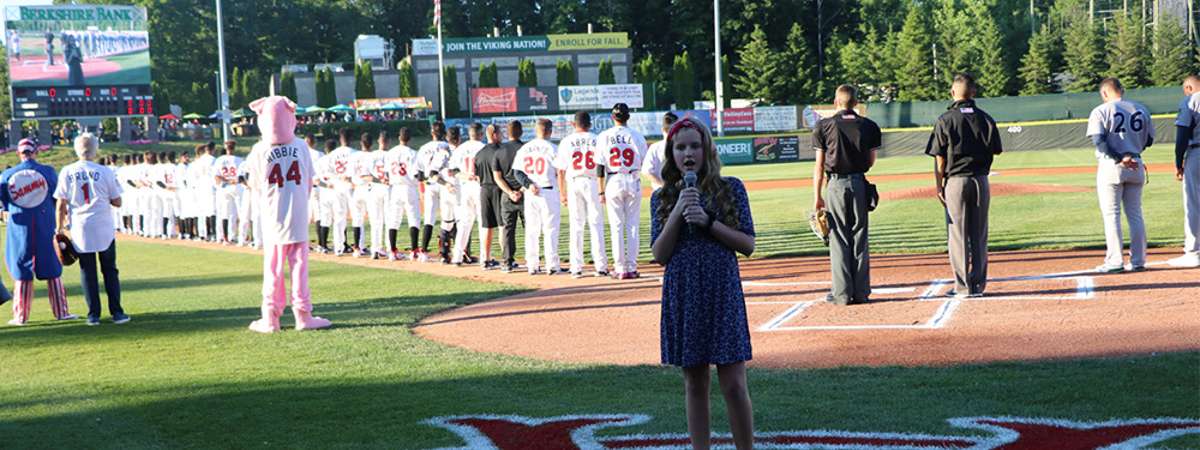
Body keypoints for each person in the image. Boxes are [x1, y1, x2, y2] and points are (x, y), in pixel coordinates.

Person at [649, 117, 755, 450]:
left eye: (694, 145)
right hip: (684, 292)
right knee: (694, 382)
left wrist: (709, 223)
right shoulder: (663, 197)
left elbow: (747, 245)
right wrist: (680, 209)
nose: (688, 153)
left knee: (734, 384)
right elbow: (659, 254)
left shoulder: (731, 188)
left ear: (706, 149)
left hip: (721, 290)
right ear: (671, 154)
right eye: (680, 147)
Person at [244, 95, 331, 333]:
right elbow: (309, 181)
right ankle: (303, 315)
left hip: (272, 215)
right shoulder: (301, 146)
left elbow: (254, 184)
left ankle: (271, 317)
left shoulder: (259, 150)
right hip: (298, 213)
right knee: (300, 266)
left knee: (272, 267)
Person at [926, 73, 1002, 298]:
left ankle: (962, 287)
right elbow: (995, 149)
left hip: (955, 181)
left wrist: (939, 186)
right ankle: (978, 285)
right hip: (980, 179)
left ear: (952, 93)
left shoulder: (945, 119)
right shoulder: (985, 118)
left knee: (958, 234)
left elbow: (939, 158)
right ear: (974, 93)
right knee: (979, 234)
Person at [812, 85, 881, 305]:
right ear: (856, 103)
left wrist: (817, 196)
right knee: (860, 237)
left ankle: (841, 294)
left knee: (839, 238)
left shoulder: (824, 125)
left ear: (836, 102)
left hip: (835, 185)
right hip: (859, 183)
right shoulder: (869, 125)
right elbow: (871, 160)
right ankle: (861, 293)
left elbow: (819, 165)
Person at [54, 133, 127, 326]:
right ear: (95, 150)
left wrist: (59, 227)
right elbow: (117, 201)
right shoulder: (105, 171)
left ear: (76, 149)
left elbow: (61, 203)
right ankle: (117, 313)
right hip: (103, 225)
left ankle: (93, 314)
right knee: (110, 270)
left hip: (80, 226)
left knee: (87, 271)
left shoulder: (67, 171)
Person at [2, 139, 75, 325]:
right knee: (52, 266)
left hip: (19, 229)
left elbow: (3, 204)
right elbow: (57, 198)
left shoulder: (6, 175)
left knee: (22, 269)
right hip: (45, 225)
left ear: (19, 153)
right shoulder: (48, 172)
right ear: (35, 152)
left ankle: (20, 316)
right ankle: (61, 312)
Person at [1087, 77, 1154, 273]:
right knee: (1135, 215)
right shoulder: (1141, 109)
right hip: (1136, 163)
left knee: (1111, 215)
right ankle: (1139, 261)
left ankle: (1115, 262)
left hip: (1112, 165)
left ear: (1105, 93)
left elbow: (1099, 141)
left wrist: (1119, 157)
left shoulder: (1100, 110)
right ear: (1121, 90)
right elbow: (1149, 141)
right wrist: (1130, 152)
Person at [596, 103, 649, 279]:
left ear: (613, 117)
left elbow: (599, 166)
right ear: (628, 117)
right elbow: (643, 160)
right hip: (633, 177)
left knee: (616, 226)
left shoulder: (604, 136)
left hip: (613, 179)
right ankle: (632, 267)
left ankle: (620, 269)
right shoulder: (637, 135)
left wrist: (601, 191)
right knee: (632, 225)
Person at [556, 111, 609, 278]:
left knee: (576, 225)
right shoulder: (597, 139)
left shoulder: (566, 141)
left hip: (574, 182)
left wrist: (562, 193)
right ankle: (600, 266)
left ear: (574, 124)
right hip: (592, 181)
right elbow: (603, 165)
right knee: (596, 223)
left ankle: (575, 267)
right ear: (590, 124)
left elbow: (560, 170)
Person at [513, 119, 564, 275]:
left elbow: (517, 172)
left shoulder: (525, 148)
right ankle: (552, 265)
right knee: (550, 229)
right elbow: (561, 171)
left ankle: (532, 265)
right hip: (548, 191)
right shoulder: (553, 148)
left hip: (531, 193)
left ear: (536, 130)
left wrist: (528, 184)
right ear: (550, 131)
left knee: (532, 230)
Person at [1169, 75, 1200, 268]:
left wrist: (1178, 162)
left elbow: (1182, 134)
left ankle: (1193, 252)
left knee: (1194, 203)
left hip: (1197, 153)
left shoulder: (1191, 100)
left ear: (1189, 87)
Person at [492, 121, 527, 272]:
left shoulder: (499, 151)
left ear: (507, 133)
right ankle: (533, 260)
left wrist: (510, 192)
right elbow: (530, 173)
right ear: (521, 132)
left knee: (508, 229)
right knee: (530, 228)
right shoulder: (526, 149)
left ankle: (507, 262)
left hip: (507, 196)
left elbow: (497, 177)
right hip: (525, 194)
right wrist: (521, 189)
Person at [416, 122, 453, 262]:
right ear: (444, 133)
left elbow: (419, 174)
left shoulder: (423, 148)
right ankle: (447, 251)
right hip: (444, 184)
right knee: (448, 218)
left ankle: (423, 252)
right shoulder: (447, 147)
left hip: (430, 184)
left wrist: (422, 186)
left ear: (432, 133)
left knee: (429, 219)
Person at [451, 123, 486, 266]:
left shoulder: (460, 148)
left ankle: (457, 257)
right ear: (480, 134)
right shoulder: (483, 148)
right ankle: (485, 257)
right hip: (479, 186)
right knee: (483, 223)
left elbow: (452, 171)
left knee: (464, 223)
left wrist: (465, 176)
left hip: (465, 187)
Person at [384, 128, 421, 260]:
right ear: (409, 139)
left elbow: (387, 173)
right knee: (414, 218)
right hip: (409, 187)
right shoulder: (413, 153)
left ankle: (392, 251)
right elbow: (417, 173)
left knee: (394, 219)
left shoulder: (390, 153)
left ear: (399, 137)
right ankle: (414, 250)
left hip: (395, 188)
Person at [321, 129, 358, 256]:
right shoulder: (356, 153)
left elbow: (327, 173)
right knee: (356, 216)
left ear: (340, 139)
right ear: (351, 139)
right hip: (351, 186)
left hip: (338, 187)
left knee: (339, 217)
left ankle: (338, 247)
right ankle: (359, 246)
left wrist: (336, 179)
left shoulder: (332, 154)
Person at [475, 124, 503, 270]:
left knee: (487, 226)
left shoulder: (479, 153)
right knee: (502, 226)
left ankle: (485, 259)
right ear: (494, 135)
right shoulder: (500, 150)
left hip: (484, 189)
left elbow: (477, 176)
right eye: (501, 133)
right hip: (498, 189)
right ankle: (506, 258)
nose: (502, 136)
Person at [348, 133, 375, 256]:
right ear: (372, 143)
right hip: (369, 188)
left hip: (357, 189)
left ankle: (357, 248)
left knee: (357, 219)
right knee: (374, 219)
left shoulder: (354, 156)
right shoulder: (373, 155)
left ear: (361, 143)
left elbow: (348, 176)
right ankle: (375, 247)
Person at [213, 141, 243, 244]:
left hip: (224, 187)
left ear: (226, 148)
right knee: (239, 212)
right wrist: (232, 180)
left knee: (225, 213)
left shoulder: (219, 160)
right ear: (234, 148)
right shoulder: (239, 160)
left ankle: (225, 238)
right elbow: (242, 177)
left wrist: (226, 180)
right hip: (236, 186)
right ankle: (239, 237)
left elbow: (216, 176)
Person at [641, 112, 680, 191]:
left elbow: (646, 171)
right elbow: (646, 171)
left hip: (662, 190)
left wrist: (662, 185)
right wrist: (663, 185)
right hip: (662, 191)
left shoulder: (655, 147)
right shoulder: (682, 147)